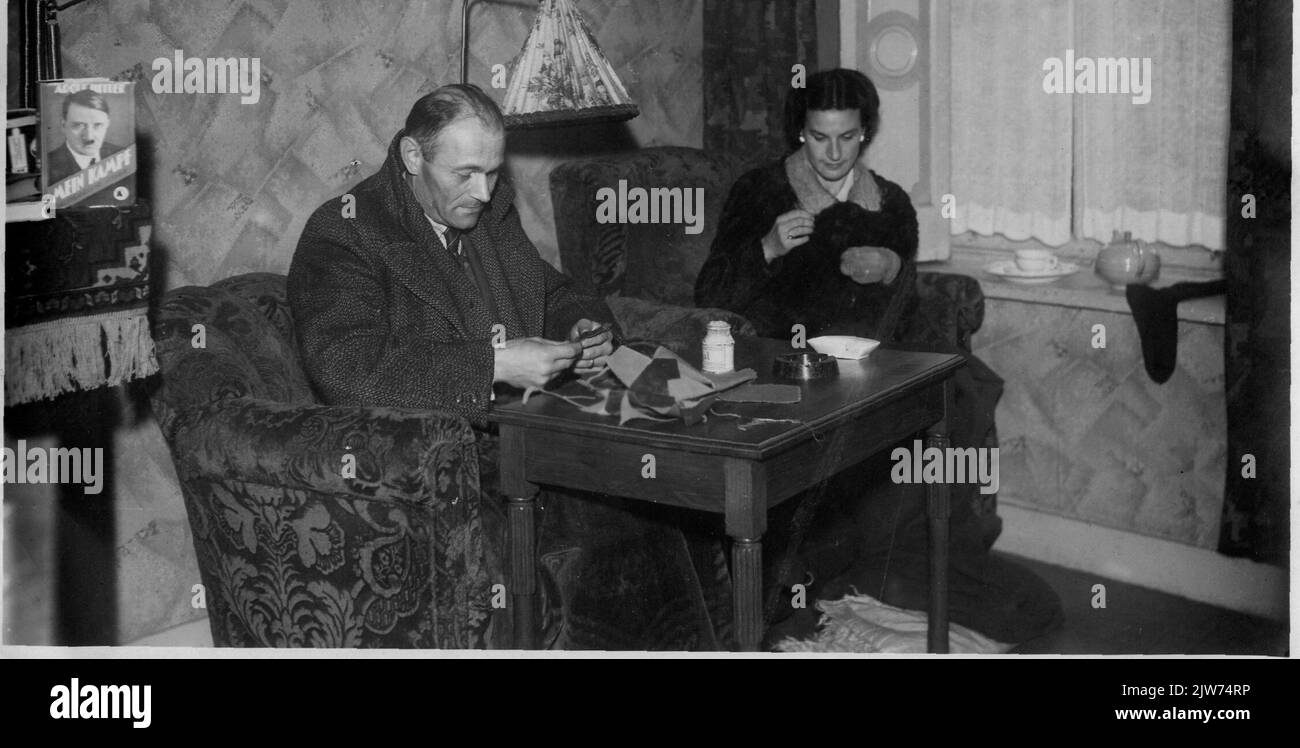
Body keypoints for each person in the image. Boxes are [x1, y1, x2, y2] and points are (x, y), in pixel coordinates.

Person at [288, 84, 731, 650]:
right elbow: (348, 369)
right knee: (630, 516)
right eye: (466, 173)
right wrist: (494, 364)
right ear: (411, 157)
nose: (484, 191)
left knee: (678, 489)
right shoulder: (347, 231)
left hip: (535, 437)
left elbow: (555, 289)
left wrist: (582, 326)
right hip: (447, 461)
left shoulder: (490, 215)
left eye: (495, 172)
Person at [696, 68, 1062, 646]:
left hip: (869, 363)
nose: (834, 153)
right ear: (801, 133)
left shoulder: (889, 202)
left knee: (962, 390)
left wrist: (894, 270)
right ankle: (876, 572)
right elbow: (710, 293)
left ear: (865, 133)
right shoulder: (761, 191)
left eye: (847, 137)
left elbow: (903, 299)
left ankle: (933, 562)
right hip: (787, 363)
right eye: (819, 137)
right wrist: (765, 247)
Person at [45, 90, 123, 184]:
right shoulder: (48, 165)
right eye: (79, 125)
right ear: (63, 125)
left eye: (98, 125)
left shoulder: (122, 156)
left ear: (107, 124)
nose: (89, 137)